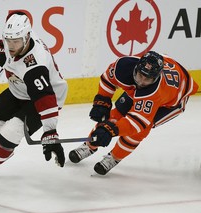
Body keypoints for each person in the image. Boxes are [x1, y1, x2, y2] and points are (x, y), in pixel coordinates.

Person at [0, 11, 68, 189]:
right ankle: (4, 150)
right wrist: (3, 49)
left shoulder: (35, 66)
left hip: (47, 97)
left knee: (10, 132)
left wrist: (50, 132)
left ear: (27, 37)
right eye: (8, 40)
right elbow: (15, 17)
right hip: (20, 89)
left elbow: (45, 100)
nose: (11, 45)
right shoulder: (18, 36)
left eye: (16, 42)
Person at [69, 51, 199, 175]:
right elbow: (107, 79)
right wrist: (102, 101)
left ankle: (114, 157)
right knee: (114, 115)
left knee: (140, 131)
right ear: (136, 68)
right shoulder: (124, 66)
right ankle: (89, 145)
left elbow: (137, 123)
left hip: (171, 102)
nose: (142, 82)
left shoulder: (154, 92)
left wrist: (110, 130)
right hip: (163, 78)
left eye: (147, 79)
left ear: (156, 78)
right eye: (140, 75)